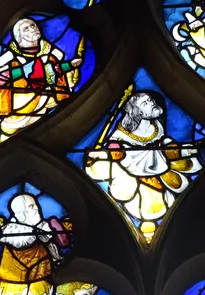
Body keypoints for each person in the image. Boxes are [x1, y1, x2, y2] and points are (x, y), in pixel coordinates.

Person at [85, 92, 202, 241]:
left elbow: (163, 143)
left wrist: (177, 149)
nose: (152, 103)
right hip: (136, 180)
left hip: (164, 172)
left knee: (188, 164)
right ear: (136, 111)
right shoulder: (120, 136)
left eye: (150, 99)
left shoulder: (157, 126)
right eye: (145, 103)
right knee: (147, 206)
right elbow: (118, 154)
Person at [0, 18, 82, 158]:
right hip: (13, 111)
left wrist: (70, 66)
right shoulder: (6, 58)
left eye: (33, 25)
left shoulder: (53, 55)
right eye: (27, 28)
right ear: (20, 37)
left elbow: (54, 73)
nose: (33, 29)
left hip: (43, 108)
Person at [0, 194, 69, 295]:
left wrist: (50, 236)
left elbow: (53, 249)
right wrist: (39, 232)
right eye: (31, 206)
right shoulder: (14, 233)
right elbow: (23, 242)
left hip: (42, 282)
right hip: (16, 288)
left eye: (36, 205)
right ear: (20, 213)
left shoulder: (40, 228)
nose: (36, 209)